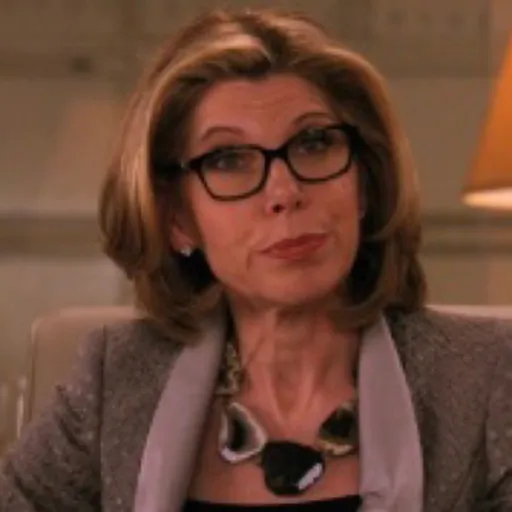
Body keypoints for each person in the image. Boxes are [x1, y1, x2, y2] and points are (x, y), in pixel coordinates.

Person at [1, 7, 512, 512]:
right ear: (177, 218)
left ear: (364, 183)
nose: (284, 192)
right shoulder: (116, 379)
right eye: (228, 159)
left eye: (314, 143)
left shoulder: (485, 377)